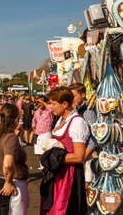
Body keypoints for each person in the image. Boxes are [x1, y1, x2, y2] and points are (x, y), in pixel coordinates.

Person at [41, 87, 89, 215]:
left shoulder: (77, 122)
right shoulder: (60, 120)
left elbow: (79, 156)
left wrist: (53, 157)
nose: (50, 107)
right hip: (56, 173)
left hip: (69, 175)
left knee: (63, 210)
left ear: (65, 104)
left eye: (53, 103)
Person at [0, 103, 29, 215]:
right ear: (15, 120)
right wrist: (9, 182)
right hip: (9, 185)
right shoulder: (10, 137)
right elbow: (8, 164)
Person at [68, 83, 97, 185]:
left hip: (87, 156)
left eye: (74, 96)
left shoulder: (88, 111)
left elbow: (94, 136)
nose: (72, 99)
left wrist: (84, 155)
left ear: (83, 95)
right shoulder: (77, 109)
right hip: (79, 155)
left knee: (87, 185)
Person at [31, 96, 54, 170]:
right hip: (38, 133)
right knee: (38, 151)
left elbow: (51, 109)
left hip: (46, 133)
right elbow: (34, 120)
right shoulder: (37, 111)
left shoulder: (49, 110)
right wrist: (33, 128)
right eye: (38, 102)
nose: (39, 103)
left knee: (46, 151)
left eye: (41, 102)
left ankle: (46, 166)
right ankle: (41, 164)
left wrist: (44, 103)